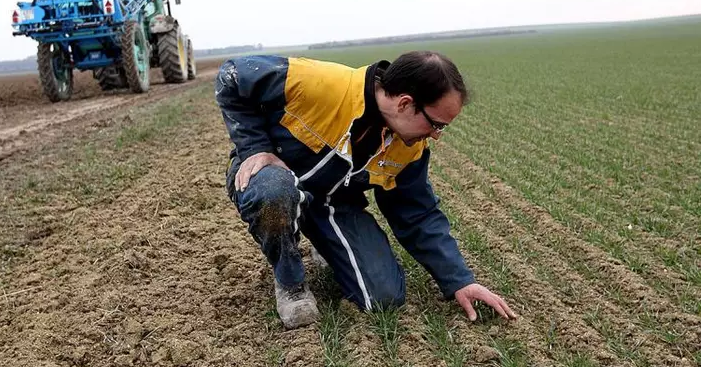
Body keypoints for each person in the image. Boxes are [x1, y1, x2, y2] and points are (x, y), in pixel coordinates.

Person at [214, 51, 517, 329]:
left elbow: (417, 213)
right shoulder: (322, 85)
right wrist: (255, 147)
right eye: (436, 124)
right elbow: (233, 75)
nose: (436, 136)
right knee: (274, 191)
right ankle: (290, 281)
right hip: (271, 175)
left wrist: (459, 280)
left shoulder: (409, 147)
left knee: (383, 298)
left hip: (330, 203)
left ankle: (322, 237)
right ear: (405, 103)